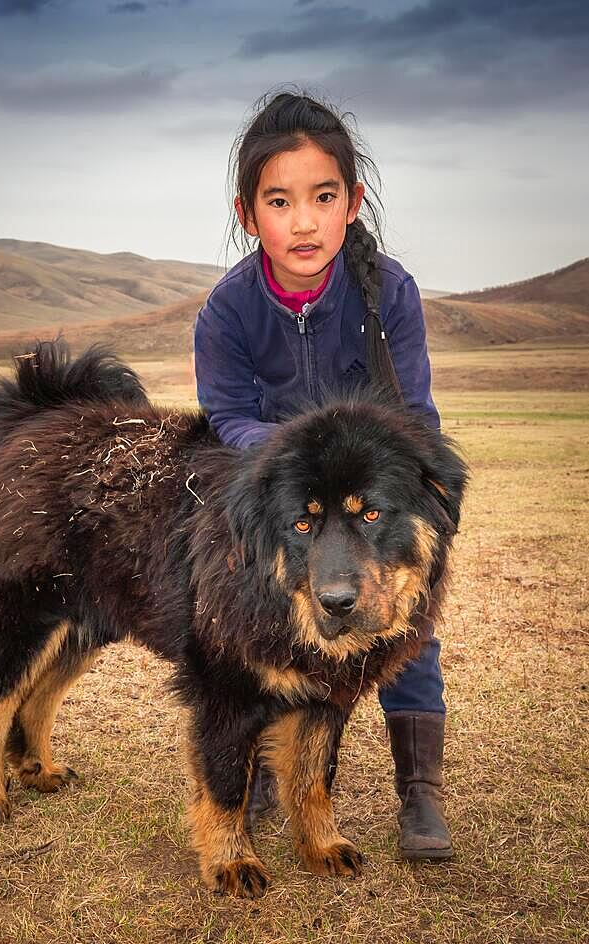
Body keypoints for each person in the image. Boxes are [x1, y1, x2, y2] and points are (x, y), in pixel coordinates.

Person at [193, 90, 453, 861]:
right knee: (278, 638)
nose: (302, 222)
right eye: (279, 201)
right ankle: (277, 772)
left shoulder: (387, 294)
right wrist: (293, 450)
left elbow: (411, 413)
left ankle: (420, 792)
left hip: (372, 498)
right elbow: (225, 417)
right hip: (286, 501)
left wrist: (416, 496)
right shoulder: (227, 311)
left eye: (322, 197)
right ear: (249, 214)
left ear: (351, 203)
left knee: (405, 628)